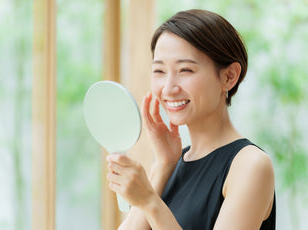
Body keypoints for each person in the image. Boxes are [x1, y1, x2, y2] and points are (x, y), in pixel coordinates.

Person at [106, 9, 276, 230]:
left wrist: (150, 202)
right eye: (159, 71)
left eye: (185, 70)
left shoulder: (250, 165)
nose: (168, 88)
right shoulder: (172, 163)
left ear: (229, 76)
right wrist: (163, 164)